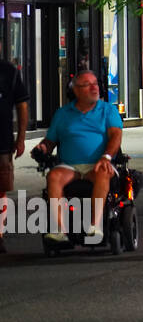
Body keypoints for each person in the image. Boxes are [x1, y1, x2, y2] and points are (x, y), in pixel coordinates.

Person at [34, 71, 121, 244]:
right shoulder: (62, 114)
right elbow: (50, 141)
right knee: (53, 176)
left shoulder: (108, 110)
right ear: (76, 90)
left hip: (97, 164)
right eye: (88, 84)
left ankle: (94, 226)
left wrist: (106, 157)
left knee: (103, 171)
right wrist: (43, 147)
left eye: (95, 83)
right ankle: (60, 230)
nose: (94, 87)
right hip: (70, 166)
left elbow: (116, 136)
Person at [0, 55, 29, 253]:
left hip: (2, 142)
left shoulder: (8, 71)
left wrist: (21, 139)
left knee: (0, 189)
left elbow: (22, 106)